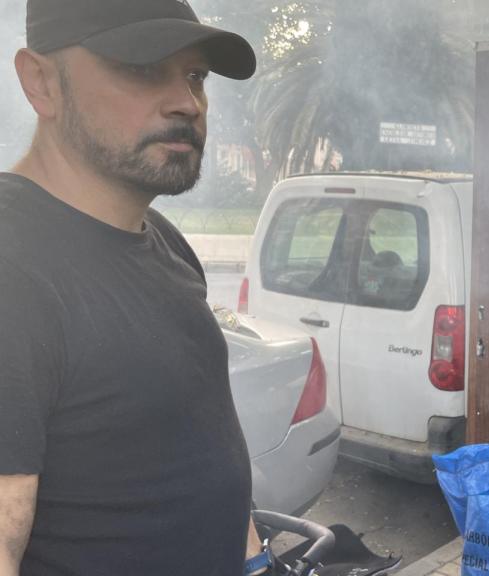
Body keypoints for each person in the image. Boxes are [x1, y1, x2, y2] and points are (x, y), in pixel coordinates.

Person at [0, 1, 281, 575]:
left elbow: (200, 443)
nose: (188, 102)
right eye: (142, 65)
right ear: (41, 82)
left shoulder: (164, 240)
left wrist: (255, 563)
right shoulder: (12, 268)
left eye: (195, 75)